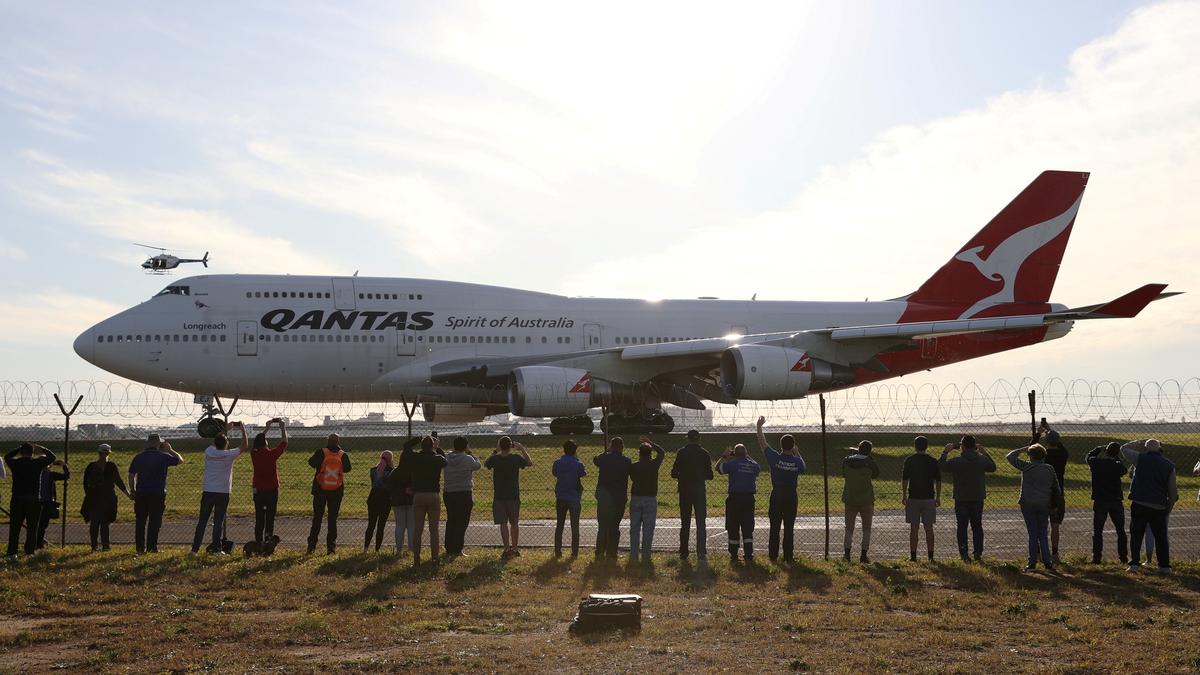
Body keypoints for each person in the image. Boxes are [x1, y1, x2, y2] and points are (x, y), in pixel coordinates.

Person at [1121, 439, 1178, 573]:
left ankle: (1134, 563)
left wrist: (1138, 442)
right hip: (1159, 505)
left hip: (1140, 503)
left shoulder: (1139, 458)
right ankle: (1164, 566)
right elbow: (1172, 491)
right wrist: (1168, 509)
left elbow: (1123, 448)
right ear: (1160, 448)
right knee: (1161, 537)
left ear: (1146, 448)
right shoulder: (1169, 465)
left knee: (1136, 535)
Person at [192, 423, 248, 555]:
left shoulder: (209, 451)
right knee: (218, 521)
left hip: (208, 490)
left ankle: (194, 549)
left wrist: (224, 430)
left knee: (202, 522)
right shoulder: (229, 454)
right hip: (222, 492)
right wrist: (243, 429)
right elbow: (244, 446)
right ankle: (217, 549)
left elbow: (217, 440)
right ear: (226, 444)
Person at [938, 435, 997, 562]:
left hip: (961, 498)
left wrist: (945, 451)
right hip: (977, 497)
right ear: (974, 446)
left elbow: (941, 466)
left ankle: (964, 553)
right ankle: (978, 553)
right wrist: (984, 452)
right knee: (977, 526)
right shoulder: (981, 460)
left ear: (963, 446)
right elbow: (993, 467)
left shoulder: (957, 461)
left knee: (962, 526)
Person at [1006, 443, 1063, 571]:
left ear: (1030, 456)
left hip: (1028, 503)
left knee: (1032, 533)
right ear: (1043, 455)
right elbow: (1056, 489)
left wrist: (1022, 448)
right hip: (1044, 503)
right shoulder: (1049, 469)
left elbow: (1009, 456)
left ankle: (1032, 562)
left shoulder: (1026, 466)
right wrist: (1055, 504)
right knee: (1043, 532)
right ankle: (1047, 562)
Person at [756, 416, 806, 563]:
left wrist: (759, 427)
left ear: (781, 445)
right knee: (789, 527)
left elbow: (762, 443)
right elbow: (803, 467)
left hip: (777, 493)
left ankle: (773, 555)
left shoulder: (775, 458)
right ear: (793, 445)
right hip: (791, 495)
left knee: (775, 526)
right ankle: (788, 556)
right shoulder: (796, 461)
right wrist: (797, 453)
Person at [128, 438, 184, 554]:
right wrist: (170, 450)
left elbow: (131, 475)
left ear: (147, 443)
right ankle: (152, 547)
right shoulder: (163, 456)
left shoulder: (139, 457)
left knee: (140, 521)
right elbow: (180, 460)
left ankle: (139, 547)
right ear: (159, 444)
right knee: (155, 521)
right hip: (157, 493)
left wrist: (133, 490)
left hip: (142, 493)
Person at [5, 443, 57, 557]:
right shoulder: (36, 463)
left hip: (17, 498)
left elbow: (7, 456)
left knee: (15, 527)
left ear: (21, 453)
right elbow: (52, 457)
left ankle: (12, 552)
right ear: (32, 453)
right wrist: (42, 448)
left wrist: (17, 449)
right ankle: (29, 551)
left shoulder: (15, 463)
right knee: (32, 527)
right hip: (33, 499)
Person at [484, 437, 532, 558]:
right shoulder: (515, 458)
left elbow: (486, 463)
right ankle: (515, 548)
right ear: (511, 446)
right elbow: (529, 462)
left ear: (500, 446)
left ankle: (506, 548)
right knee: (514, 522)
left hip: (499, 495)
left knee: (503, 523)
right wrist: (521, 448)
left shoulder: (495, 459)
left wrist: (495, 450)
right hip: (513, 494)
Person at [672, 429, 714, 561]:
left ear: (688, 439)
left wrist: (682, 475)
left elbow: (674, 472)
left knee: (685, 522)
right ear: (699, 439)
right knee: (701, 522)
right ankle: (701, 550)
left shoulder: (682, 452)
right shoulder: (704, 453)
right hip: (699, 491)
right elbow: (710, 475)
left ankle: (684, 551)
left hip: (685, 490)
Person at [81, 444, 132, 552]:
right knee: (104, 523)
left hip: (94, 498)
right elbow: (118, 481)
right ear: (108, 453)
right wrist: (128, 494)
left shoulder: (91, 466)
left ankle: (95, 546)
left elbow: (85, 483)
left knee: (95, 523)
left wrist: (89, 495)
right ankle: (105, 546)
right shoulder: (111, 466)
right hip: (107, 497)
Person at [307, 433, 352, 554]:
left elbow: (311, 462)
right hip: (336, 490)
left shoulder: (321, 452)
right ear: (338, 441)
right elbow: (348, 469)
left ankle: (311, 546)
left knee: (317, 518)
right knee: (332, 519)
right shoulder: (343, 454)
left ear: (328, 441)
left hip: (320, 489)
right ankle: (331, 547)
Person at [716, 443, 760, 561]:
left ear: (734, 454)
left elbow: (718, 468)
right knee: (747, 526)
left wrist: (724, 456)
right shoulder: (753, 465)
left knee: (733, 526)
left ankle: (733, 553)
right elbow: (758, 467)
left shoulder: (732, 464)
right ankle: (748, 553)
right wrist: (747, 457)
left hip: (734, 499)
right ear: (745, 453)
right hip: (748, 499)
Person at [1085, 442, 1127, 564]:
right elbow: (1123, 470)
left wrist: (1097, 449)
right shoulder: (1117, 465)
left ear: (1106, 451)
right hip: (1115, 499)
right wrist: (1116, 457)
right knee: (1120, 530)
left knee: (1098, 530)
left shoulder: (1097, 463)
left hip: (1100, 499)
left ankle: (1096, 557)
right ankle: (1123, 557)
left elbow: (1088, 457)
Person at [409, 435, 448, 564]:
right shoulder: (437, 458)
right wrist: (438, 448)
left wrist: (414, 441)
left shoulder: (415, 458)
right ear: (432, 446)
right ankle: (435, 558)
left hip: (419, 494)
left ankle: (416, 560)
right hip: (433, 495)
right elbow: (446, 461)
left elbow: (406, 450)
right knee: (434, 529)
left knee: (418, 529)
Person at [902, 436, 941, 562]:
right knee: (929, 528)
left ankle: (913, 556)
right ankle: (931, 556)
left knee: (914, 528)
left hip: (913, 497)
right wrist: (938, 496)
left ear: (915, 446)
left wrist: (904, 495)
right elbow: (938, 481)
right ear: (926, 446)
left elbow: (905, 479)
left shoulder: (909, 460)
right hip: (929, 497)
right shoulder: (933, 461)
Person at [250, 419, 288, 547]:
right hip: (272, 489)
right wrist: (282, 428)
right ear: (266, 443)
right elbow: (284, 443)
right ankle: (268, 538)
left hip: (258, 489)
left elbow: (257, 442)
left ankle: (258, 540)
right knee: (270, 517)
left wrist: (267, 428)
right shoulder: (272, 454)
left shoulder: (254, 454)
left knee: (259, 516)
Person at [593, 437, 632, 560]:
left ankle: (600, 550)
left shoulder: (604, 458)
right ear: (622, 447)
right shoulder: (626, 461)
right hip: (619, 496)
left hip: (604, 495)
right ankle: (612, 551)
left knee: (603, 525)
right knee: (614, 525)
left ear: (612, 446)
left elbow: (596, 460)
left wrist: (607, 451)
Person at [443, 436, 481, 558]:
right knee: (462, 521)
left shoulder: (446, 457)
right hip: (464, 492)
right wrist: (470, 452)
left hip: (449, 492)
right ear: (465, 446)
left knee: (451, 520)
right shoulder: (467, 458)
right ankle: (458, 548)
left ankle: (448, 548)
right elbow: (478, 465)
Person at [628, 437, 665, 564]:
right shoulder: (654, 465)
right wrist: (651, 442)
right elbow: (662, 452)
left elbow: (632, 478)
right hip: (650, 498)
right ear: (650, 454)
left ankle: (633, 556)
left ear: (639, 453)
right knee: (648, 529)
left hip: (636, 497)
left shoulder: (634, 466)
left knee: (634, 528)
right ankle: (646, 555)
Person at [842, 440, 879, 563]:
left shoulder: (847, 460)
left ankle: (847, 554)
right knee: (866, 528)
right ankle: (863, 554)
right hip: (866, 498)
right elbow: (876, 474)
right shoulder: (870, 462)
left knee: (849, 528)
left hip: (850, 497)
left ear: (858, 448)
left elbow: (844, 474)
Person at [1039, 421, 1069, 564]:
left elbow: (1033, 450)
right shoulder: (1063, 454)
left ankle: (1040, 552)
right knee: (1055, 525)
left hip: (1043, 493)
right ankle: (1055, 553)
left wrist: (1039, 434)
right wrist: (1049, 431)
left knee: (1041, 525)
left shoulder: (1043, 456)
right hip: (1058, 493)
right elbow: (1061, 445)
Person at [551, 439, 586, 558]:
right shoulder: (578, 464)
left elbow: (554, 473)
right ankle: (574, 552)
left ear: (564, 450)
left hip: (561, 496)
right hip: (574, 497)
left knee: (559, 524)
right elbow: (582, 473)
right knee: (575, 526)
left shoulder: (557, 463)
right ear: (575, 451)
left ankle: (558, 551)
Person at [387, 439, 416, 556]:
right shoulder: (414, 471)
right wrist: (411, 490)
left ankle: (399, 549)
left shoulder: (395, 472)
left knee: (400, 525)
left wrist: (400, 491)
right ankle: (411, 548)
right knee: (411, 525)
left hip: (398, 501)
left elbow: (389, 486)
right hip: (411, 500)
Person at [34, 457, 69, 550]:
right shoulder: (51, 475)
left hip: (35, 502)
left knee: (35, 524)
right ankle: (38, 544)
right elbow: (66, 476)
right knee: (43, 525)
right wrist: (64, 465)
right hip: (47, 502)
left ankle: (33, 543)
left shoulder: (35, 474)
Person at [364, 450, 393, 552]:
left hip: (373, 500)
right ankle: (377, 549)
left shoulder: (373, 470)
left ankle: (366, 548)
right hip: (385, 501)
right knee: (381, 526)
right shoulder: (391, 472)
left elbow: (375, 485)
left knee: (371, 524)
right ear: (390, 460)